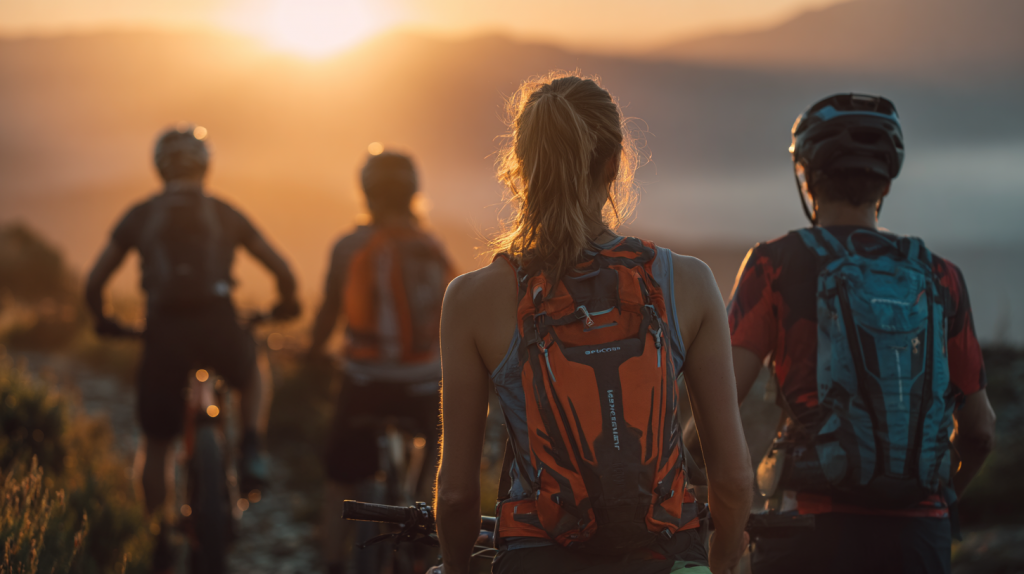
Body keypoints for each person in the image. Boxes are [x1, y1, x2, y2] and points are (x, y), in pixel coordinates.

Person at [433, 73, 753, 574]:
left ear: (521, 167)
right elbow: (732, 479)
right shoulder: (687, 281)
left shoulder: (472, 298)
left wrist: (454, 567)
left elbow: (456, 494)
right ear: (614, 163)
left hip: (537, 559)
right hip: (668, 556)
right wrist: (724, 556)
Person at [685, 93, 996, 574]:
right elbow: (980, 431)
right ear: (886, 182)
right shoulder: (942, 277)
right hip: (920, 540)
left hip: (808, 534)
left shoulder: (775, 265)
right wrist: (935, 502)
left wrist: (687, 463)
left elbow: (716, 409)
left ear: (807, 178)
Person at [85, 125, 300, 572]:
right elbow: (281, 269)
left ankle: (159, 535)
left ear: (160, 167)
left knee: (157, 443)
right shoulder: (223, 212)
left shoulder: (141, 214)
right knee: (252, 370)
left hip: (164, 331)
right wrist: (285, 304)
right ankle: (252, 445)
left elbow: (95, 282)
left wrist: (105, 321)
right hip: (219, 323)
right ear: (205, 166)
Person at [309, 150, 454, 574]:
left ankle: (332, 560)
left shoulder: (349, 246)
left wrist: (313, 352)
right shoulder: (431, 247)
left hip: (365, 381)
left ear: (366, 193)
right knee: (434, 466)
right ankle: (424, 544)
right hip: (425, 383)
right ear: (413, 193)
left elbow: (329, 312)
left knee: (340, 478)